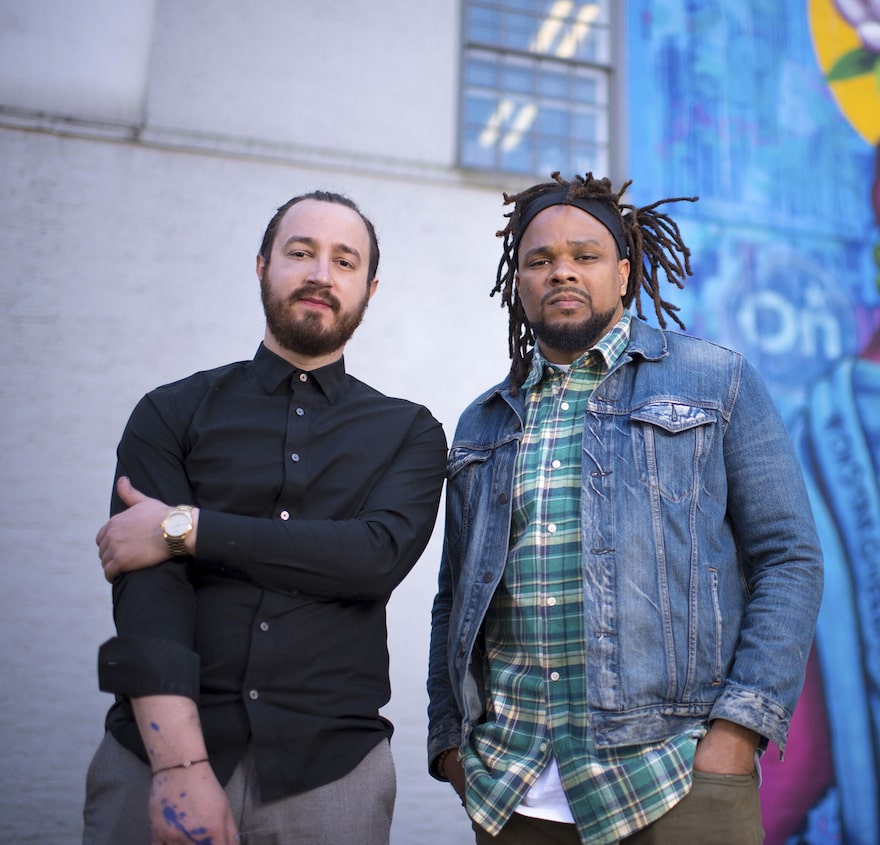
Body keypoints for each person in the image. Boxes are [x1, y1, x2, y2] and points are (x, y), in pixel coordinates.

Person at [426, 173, 824, 844]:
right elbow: (453, 596)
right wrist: (451, 746)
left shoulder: (715, 380)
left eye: (584, 255)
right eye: (540, 260)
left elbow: (789, 559)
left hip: (675, 777)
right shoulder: (483, 422)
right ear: (517, 279)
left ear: (624, 272)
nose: (562, 272)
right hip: (512, 787)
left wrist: (735, 732)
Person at [83, 191, 448, 845]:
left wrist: (187, 529)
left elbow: (373, 557)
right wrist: (179, 762)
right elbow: (148, 594)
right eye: (300, 252)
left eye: (344, 260)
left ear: (369, 287)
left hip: (331, 774)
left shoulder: (409, 431)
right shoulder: (171, 411)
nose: (319, 274)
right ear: (261, 266)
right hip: (155, 758)